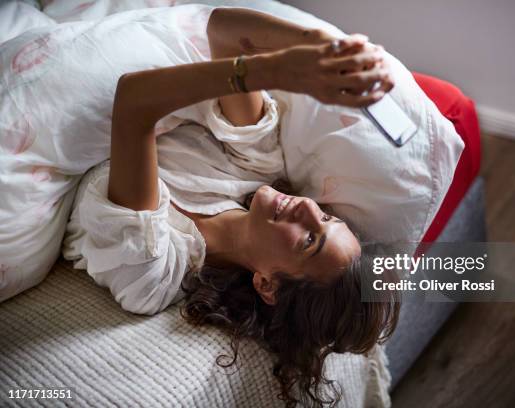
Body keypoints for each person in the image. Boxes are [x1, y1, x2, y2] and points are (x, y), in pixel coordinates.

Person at [61, 7, 400, 407]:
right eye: (327, 217)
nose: (309, 207)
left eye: (310, 239)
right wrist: (324, 52)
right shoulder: (255, 165)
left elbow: (134, 101)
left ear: (268, 284)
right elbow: (223, 32)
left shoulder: (154, 269)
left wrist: (273, 72)